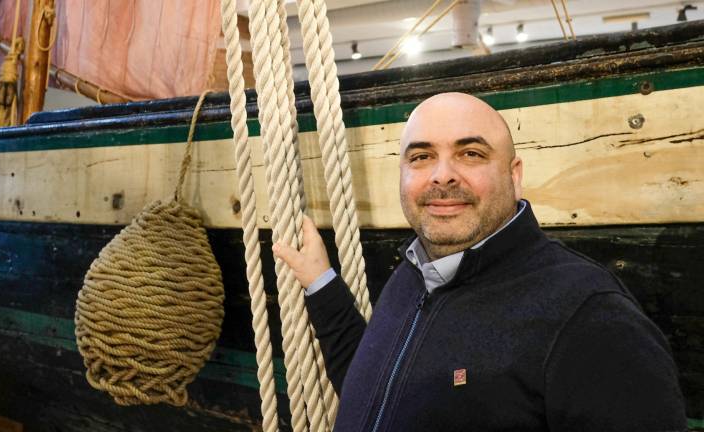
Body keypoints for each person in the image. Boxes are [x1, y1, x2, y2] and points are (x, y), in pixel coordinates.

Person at [272, 93, 687, 431]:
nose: (442, 176)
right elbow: (374, 391)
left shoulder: (588, 316)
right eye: (421, 157)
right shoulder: (414, 275)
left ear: (514, 174)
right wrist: (321, 283)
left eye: (470, 154)